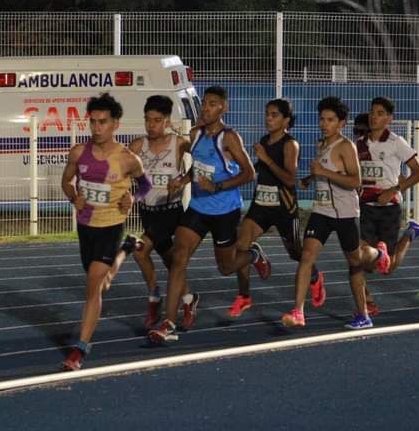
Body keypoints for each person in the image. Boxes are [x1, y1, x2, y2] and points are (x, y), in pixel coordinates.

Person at [147, 86, 256, 343]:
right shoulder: (195, 134)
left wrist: (217, 186)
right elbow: (196, 168)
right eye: (205, 103)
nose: (206, 108)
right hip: (197, 208)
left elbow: (249, 173)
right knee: (178, 260)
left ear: (224, 108)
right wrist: (182, 180)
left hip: (225, 210)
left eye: (213, 104)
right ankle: (168, 323)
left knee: (225, 267)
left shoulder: (229, 138)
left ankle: (253, 255)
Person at [60, 93, 152, 370]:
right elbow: (67, 181)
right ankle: (127, 248)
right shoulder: (79, 152)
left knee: (93, 286)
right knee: (102, 283)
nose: (97, 127)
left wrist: (132, 198)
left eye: (103, 122)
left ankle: (80, 348)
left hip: (111, 226)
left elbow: (145, 186)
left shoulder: (127, 159)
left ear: (115, 124)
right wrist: (73, 197)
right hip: (86, 227)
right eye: (93, 122)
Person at [280, 96, 381, 330]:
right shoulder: (321, 144)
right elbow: (323, 171)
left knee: (355, 261)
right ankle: (298, 312)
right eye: (322, 119)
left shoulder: (346, 147)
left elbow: (355, 181)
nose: (324, 124)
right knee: (306, 256)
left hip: (345, 213)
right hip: (322, 211)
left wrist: (323, 172)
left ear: (341, 123)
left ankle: (376, 260)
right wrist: (310, 178)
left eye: (330, 120)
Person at [225, 98, 326, 317]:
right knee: (241, 246)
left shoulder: (290, 144)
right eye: (267, 114)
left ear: (286, 120)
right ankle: (244, 296)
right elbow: (258, 167)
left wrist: (266, 158)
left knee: (296, 253)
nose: (268, 119)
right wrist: (242, 167)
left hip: (283, 208)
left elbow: (289, 179)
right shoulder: (264, 141)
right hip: (261, 205)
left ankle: (314, 276)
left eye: (274, 115)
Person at [356, 97, 419, 316]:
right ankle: (367, 301)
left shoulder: (397, 142)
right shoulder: (359, 144)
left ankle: (411, 233)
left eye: (380, 113)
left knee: (388, 268)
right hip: (365, 207)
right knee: (360, 259)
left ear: (389, 118)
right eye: (372, 112)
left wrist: (393, 190)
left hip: (389, 207)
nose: (374, 117)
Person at [128, 95, 195, 329]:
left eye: (157, 120)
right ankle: (189, 299)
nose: (151, 125)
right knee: (171, 263)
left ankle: (154, 298)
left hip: (170, 212)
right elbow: (121, 169)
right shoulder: (137, 146)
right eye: (148, 120)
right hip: (147, 212)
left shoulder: (179, 143)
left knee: (140, 252)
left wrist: (183, 179)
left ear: (167, 120)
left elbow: (204, 160)